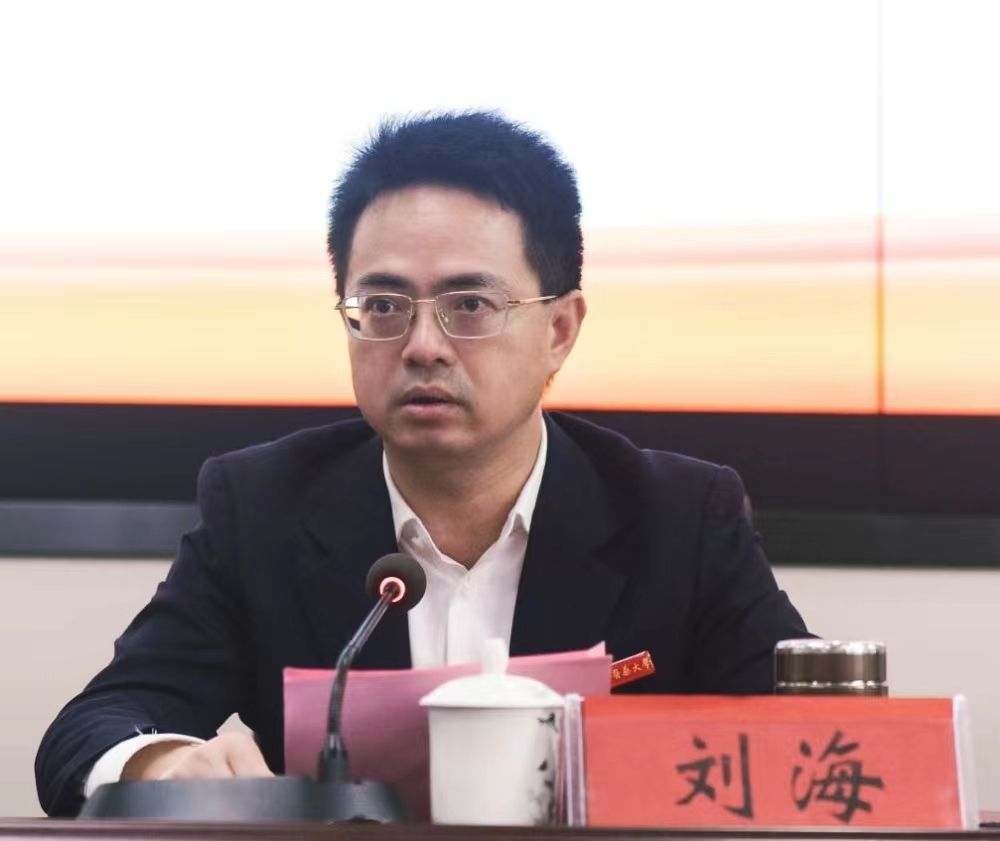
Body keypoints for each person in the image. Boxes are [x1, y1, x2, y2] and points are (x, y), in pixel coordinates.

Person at [35, 111, 811, 817]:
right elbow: (94, 725)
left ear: (560, 330)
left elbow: (812, 745)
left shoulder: (680, 516)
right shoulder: (264, 506)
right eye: (383, 306)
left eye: (469, 304)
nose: (423, 345)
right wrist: (161, 762)